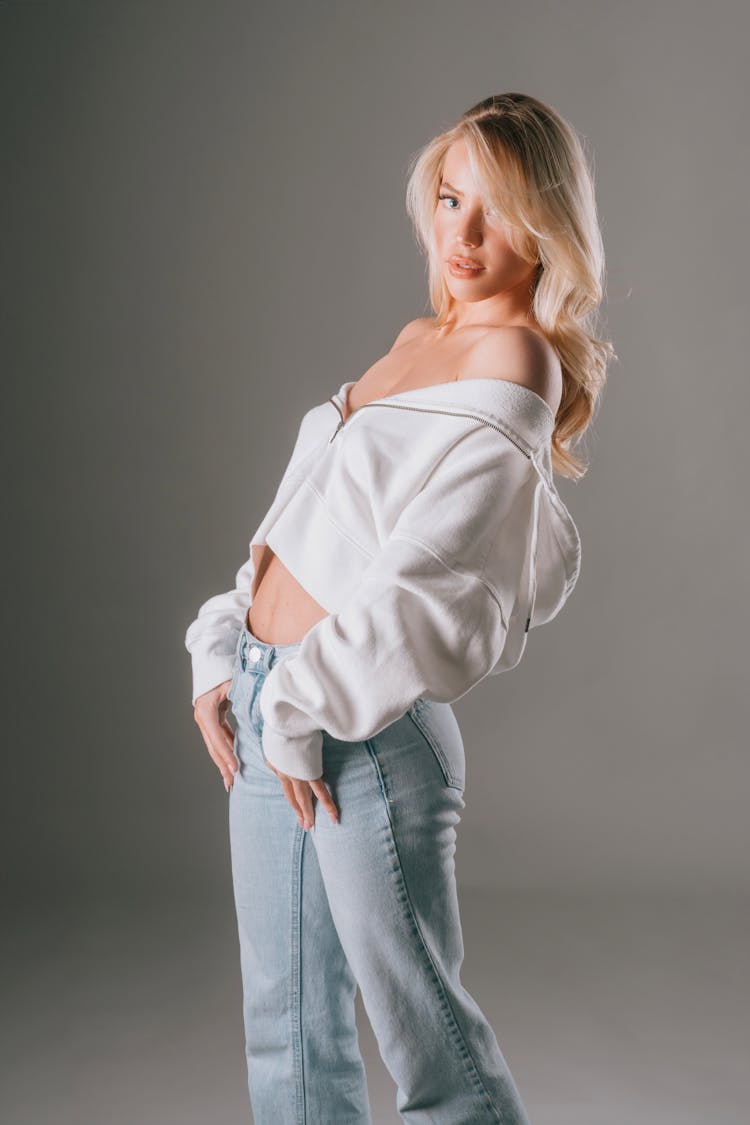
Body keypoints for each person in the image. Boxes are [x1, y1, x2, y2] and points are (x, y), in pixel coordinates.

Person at [185, 92, 614, 1125]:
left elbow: (427, 582)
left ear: (547, 224)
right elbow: (315, 516)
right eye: (450, 197)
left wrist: (297, 707)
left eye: (497, 211)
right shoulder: (420, 335)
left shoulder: (516, 364)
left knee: (431, 1052)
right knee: (288, 1036)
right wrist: (223, 645)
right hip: (271, 700)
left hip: (361, 729)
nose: (462, 233)